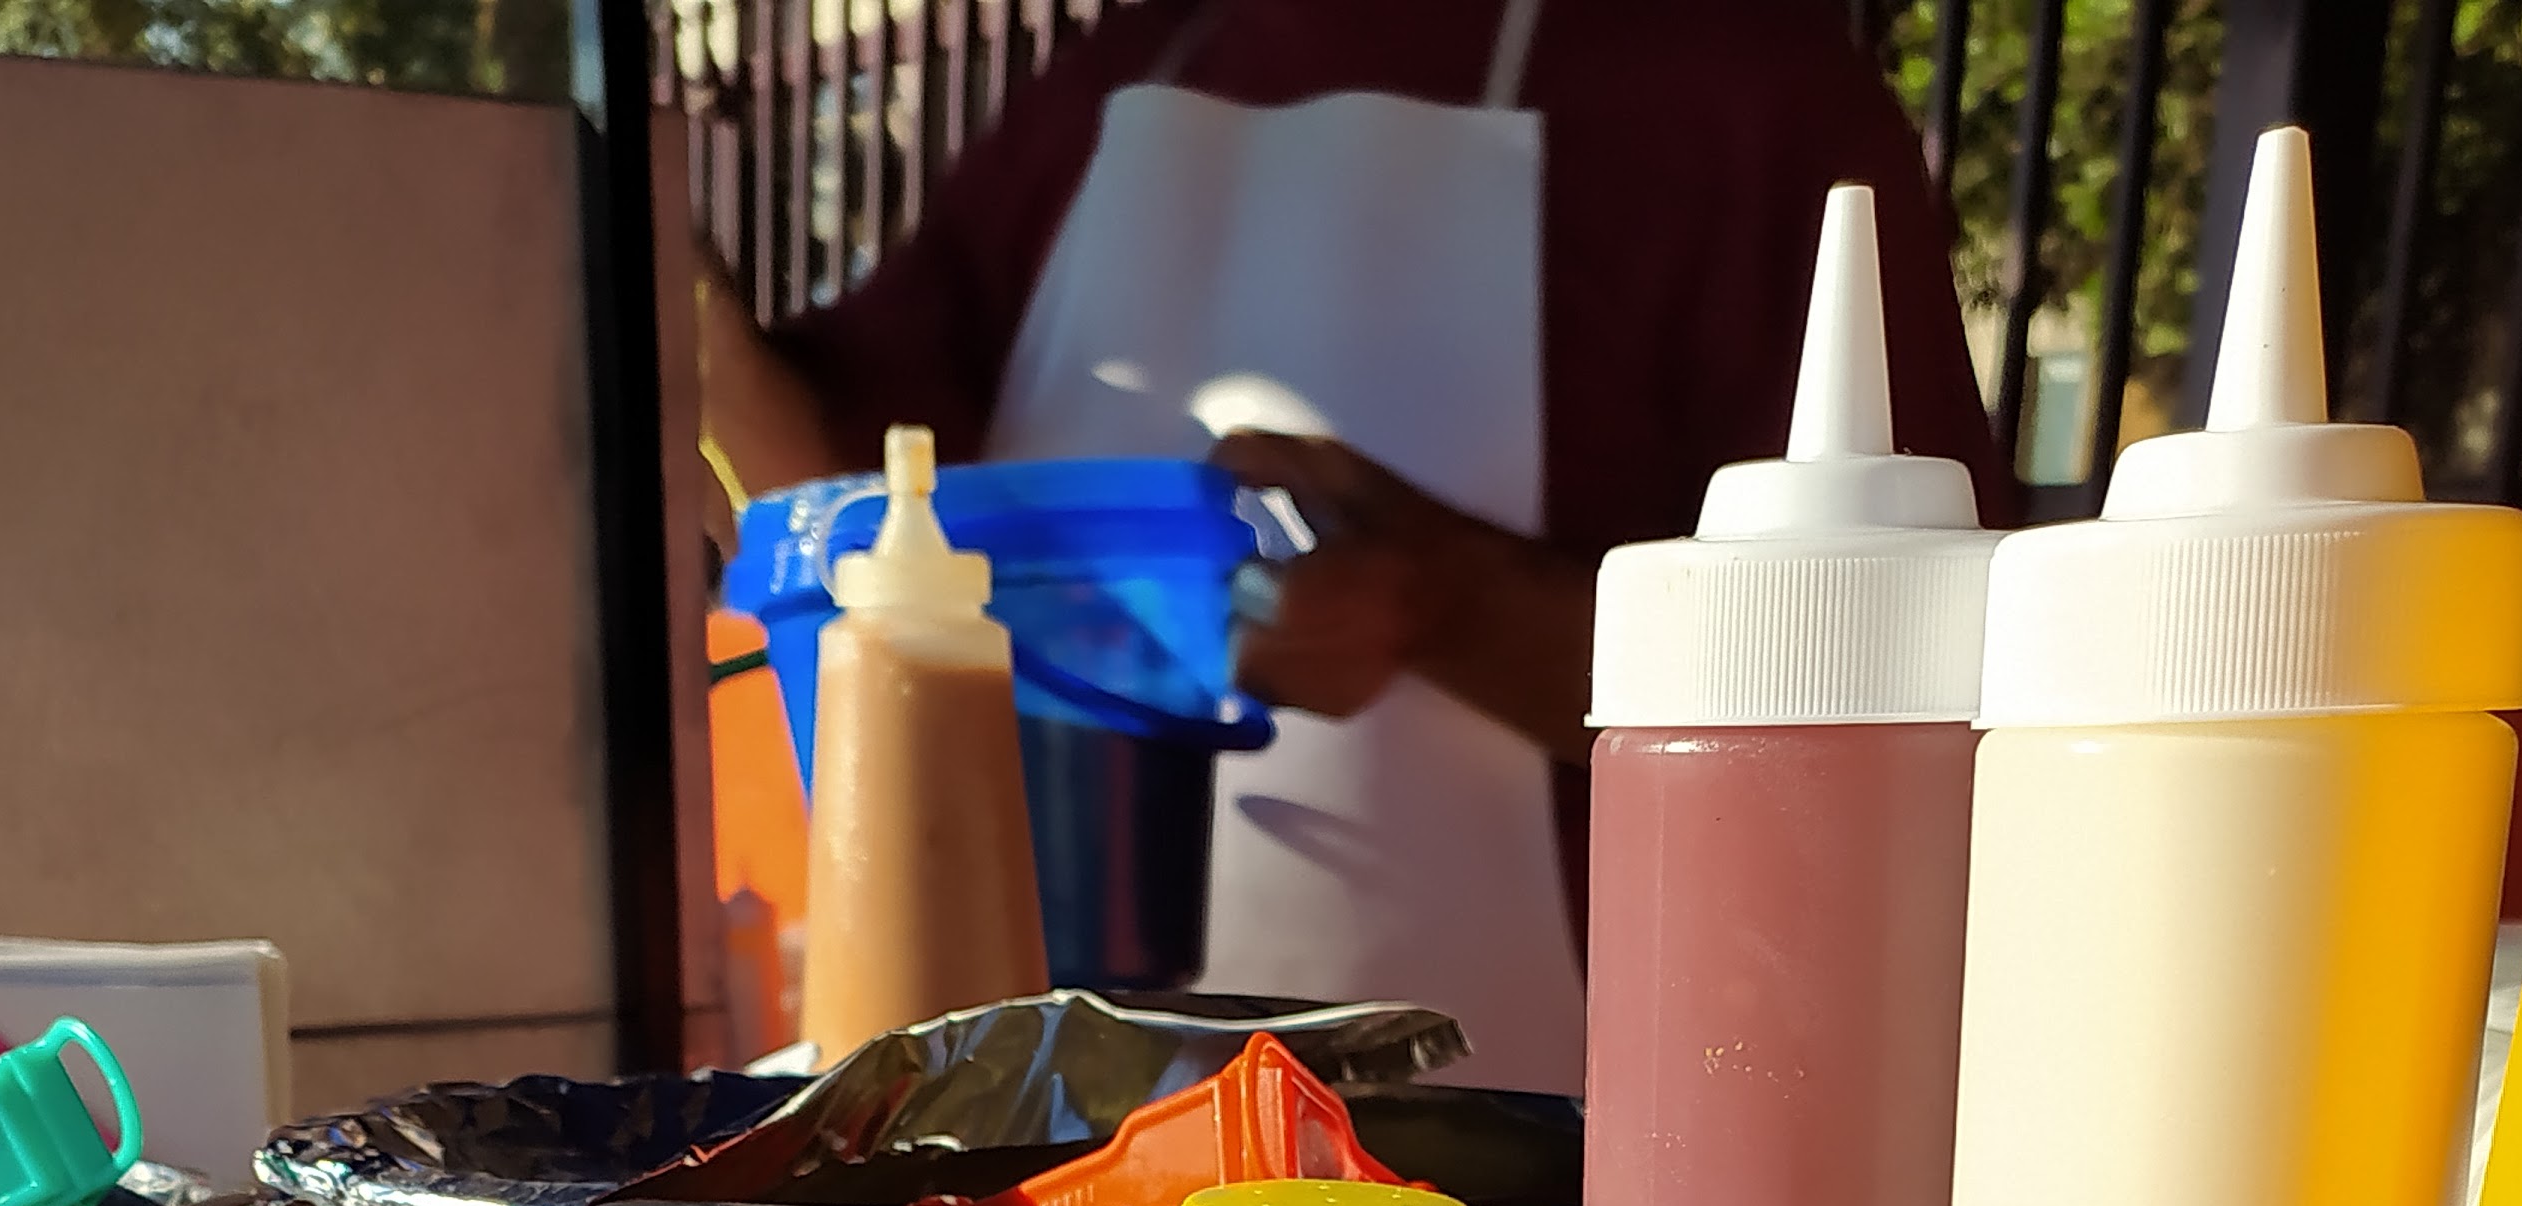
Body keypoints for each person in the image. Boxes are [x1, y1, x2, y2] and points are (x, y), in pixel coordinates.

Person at [701, 0, 2013, 1090]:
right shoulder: (1108, 86)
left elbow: (1934, 676)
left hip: (1562, 1175)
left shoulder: (1742, 97)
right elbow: (855, 515)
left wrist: (1456, 602)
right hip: (1088, 1154)